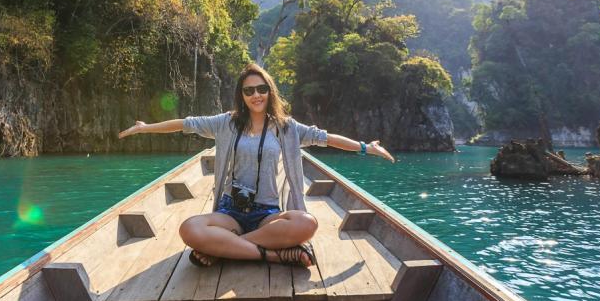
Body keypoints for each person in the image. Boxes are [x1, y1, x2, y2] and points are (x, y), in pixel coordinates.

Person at [118, 63, 395, 268]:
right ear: (242, 94)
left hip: (267, 214)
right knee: (189, 229)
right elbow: (185, 124)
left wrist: (365, 148)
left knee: (306, 223)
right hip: (231, 211)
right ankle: (272, 254)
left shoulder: (287, 128)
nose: (256, 95)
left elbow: (326, 138)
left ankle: (226, 248)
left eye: (261, 89)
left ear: (269, 91)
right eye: (249, 90)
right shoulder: (226, 123)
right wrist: (145, 128)